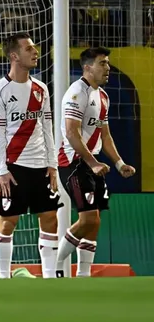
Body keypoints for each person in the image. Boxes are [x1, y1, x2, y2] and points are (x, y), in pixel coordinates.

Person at [0, 33, 61, 278]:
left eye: (34, 47)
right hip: (13, 168)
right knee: (8, 222)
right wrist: (2, 171)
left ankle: (50, 277)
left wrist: (52, 165)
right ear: (14, 56)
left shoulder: (41, 89)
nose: (35, 52)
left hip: (41, 167)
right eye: (29, 48)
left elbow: (47, 128)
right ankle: (4, 278)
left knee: (50, 218)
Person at [56, 47, 135, 277]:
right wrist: (92, 163)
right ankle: (57, 265)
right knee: (87, 218)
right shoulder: (76, 93)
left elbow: (105, 135)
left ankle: (84, 275)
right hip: (72, 163)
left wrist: (119, 164)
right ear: (87, 67)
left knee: (95, 220)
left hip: (91, 163)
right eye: (102, 63)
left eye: (108, 63)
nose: (107, 68)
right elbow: (71, 133)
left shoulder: (103, 96)